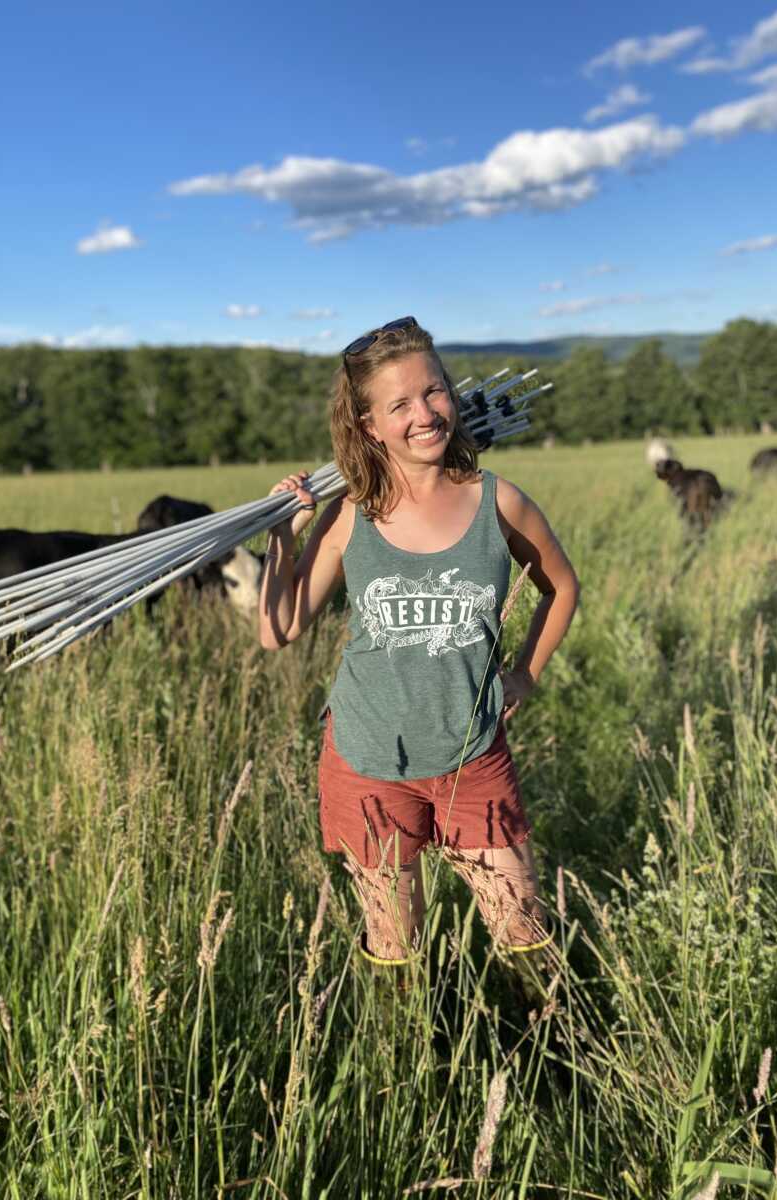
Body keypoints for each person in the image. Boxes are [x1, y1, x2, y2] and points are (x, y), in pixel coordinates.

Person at [258, 317, 579, 974]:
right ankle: (406, 1061)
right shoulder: (350, 512)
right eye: (400, 404)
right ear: (370, 425)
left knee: (522, 926)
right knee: (395, 945)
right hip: (368, 759)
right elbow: (278, 629)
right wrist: (283, 537)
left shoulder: (499, 502)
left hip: (472, 754)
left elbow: (562, 588)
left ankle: (549, 1047)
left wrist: (526, 675)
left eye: (433, 392)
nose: (424, 414)